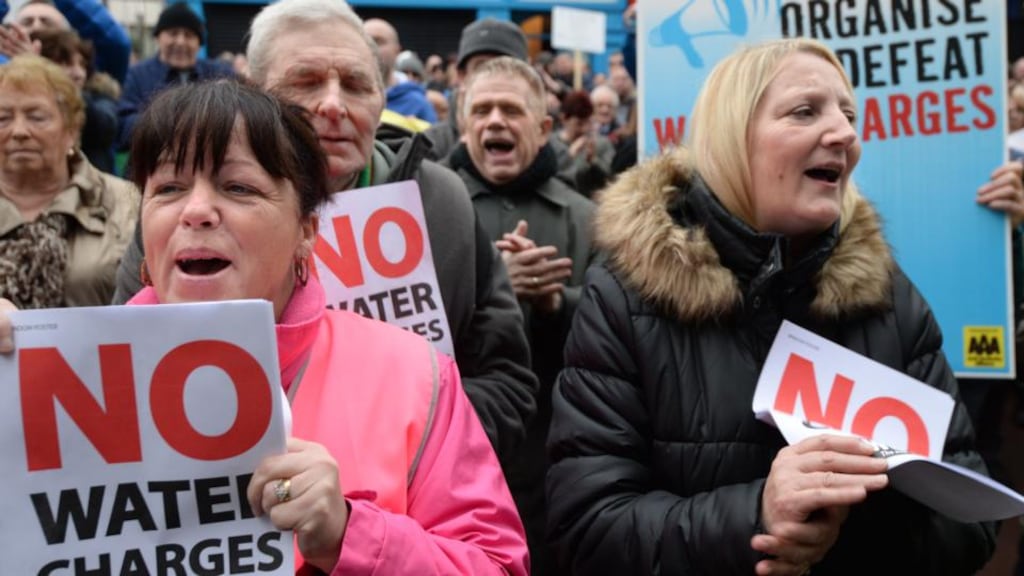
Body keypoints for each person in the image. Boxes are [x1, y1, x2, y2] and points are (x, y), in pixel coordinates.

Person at [0, 79, 529, 575]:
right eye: (168, 189)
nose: (197, 211)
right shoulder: (52, 378)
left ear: (306, 229)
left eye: (238, 187)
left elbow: (497, 564)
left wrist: (352, 535)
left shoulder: (415, 376)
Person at [545, 38, 996, 575]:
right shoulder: (625, 298)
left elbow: (972, 520)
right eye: (805, 111)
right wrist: (755, 518)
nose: (845, 134)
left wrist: (836, 527)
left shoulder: (890, 299)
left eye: (849, 115)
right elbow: (587, 530)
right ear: (733, 139)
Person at [112, 0, 538, 470]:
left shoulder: (441, 201)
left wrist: (399, 450)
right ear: (255, 94)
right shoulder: (186, 213)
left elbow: (507, 383)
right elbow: (128, 379)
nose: (334, 105)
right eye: (306, 81)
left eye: (357, 84)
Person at [447, 55, 596, 576]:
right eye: (482, 110)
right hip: (460, 445)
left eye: (511, 109)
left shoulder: (585, 215)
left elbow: (621, 329)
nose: (495, 121)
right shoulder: (426, 210)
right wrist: (495, 286)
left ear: (544, 128)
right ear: (463, 126)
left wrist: (558, 302)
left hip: (558, 450)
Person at [0, 54, 137, 309]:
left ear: (71, 130)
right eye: (3, 119)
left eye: (36, 117)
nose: (19, 131)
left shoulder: (128, 203)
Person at [116, 1, 233, 150]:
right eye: (173, 33)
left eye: (189, 35)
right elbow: (123, 128)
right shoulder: (136, 75)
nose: (180, 41)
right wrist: (172, 121)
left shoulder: (218, 73)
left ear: (199, 43)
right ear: (158, 38)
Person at [424, 18, 529, 162]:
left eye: (505, 67)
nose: (493, 77)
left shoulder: (549, 150)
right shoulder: (429, 145)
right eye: (481, 67)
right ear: (461, 76)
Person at [32, 28, 119, 174]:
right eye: (66, 63)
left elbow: (102, 126)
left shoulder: (100, 97)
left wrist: (62, 89)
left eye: (82, 64)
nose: (78, 73)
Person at [0, 0, 130, 83]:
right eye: (27, 22)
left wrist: (33, 65)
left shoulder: (85, 66)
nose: (36, 26)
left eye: (46, 21)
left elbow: (114, 42)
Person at [363, 18, 436, 123]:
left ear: (397, 50)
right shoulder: (345, 98)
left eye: (378, 41)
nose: (372, 47)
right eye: (366, 41)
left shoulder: (418, 103)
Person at [554, 90, 615, 198]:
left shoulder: (601, 144)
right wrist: (568, 156)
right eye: (579, 123)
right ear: (564, 119)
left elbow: (611, 178)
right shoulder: (551, 144)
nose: (584, 128)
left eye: (588, 122)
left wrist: (593, 161)